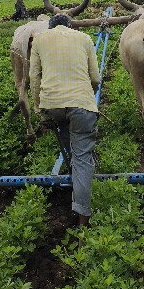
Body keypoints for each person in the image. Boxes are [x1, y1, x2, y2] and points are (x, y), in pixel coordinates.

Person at [29, 13, 100, 226]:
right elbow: (95, 78)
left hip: (52, 105)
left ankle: (71, 166)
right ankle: (82, 220)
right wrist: (89, 95)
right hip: (81, 104)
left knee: (66, 135)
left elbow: (34, 78)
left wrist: (39, 109)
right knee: (82, 160)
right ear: (70, 26)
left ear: (50, 27)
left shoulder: (40, 39)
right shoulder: (85, 39)